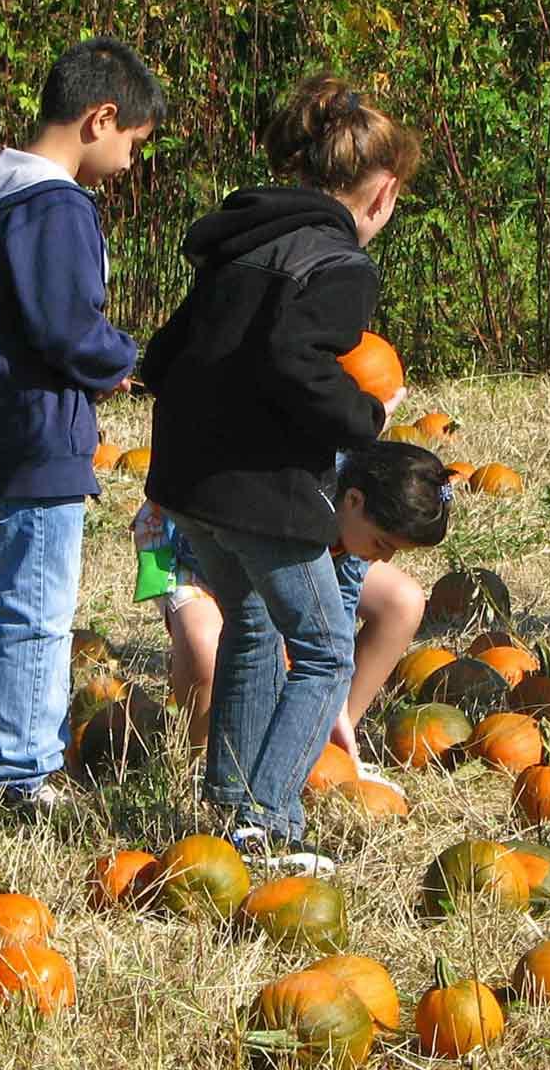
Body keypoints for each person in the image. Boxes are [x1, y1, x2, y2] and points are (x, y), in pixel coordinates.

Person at [141, 73, 419, 869]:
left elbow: (165, 355)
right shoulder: (340, 264)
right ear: (383, 193)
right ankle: (267, 820)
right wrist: (364, 416)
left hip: (190, 483)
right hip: (263, 489)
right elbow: (292, 360)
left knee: (255, 625)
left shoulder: (242, 242)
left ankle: (229, 806)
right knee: (328, 646)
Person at [0, 37, 164, 810]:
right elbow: (65, 325)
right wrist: (123, 359)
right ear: (101, 118)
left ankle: (0, 754)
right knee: (36, 614)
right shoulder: (56, 206)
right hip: (28, 442)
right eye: (133, 143)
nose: (129, 161)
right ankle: (22, 773)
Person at [132, 440, 451, 766]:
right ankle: (202, 762)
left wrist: (333, 699)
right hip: (192, 548)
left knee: (402, 601)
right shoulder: (294, 496)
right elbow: (240, 574)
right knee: (204, 647)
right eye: (382, 543)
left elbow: (336, 609)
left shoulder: (358, 511)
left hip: (296, 556)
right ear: (354, 501)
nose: (385, 557)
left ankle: (326, 745)